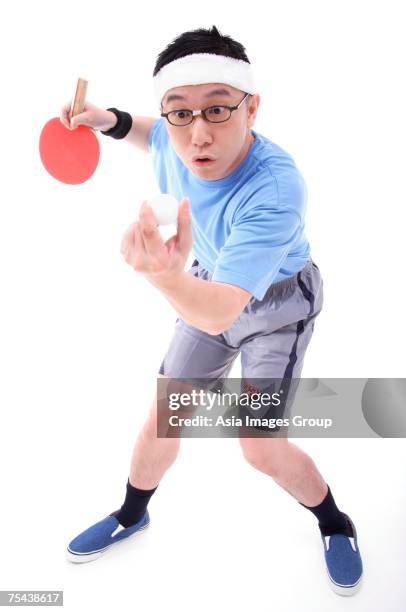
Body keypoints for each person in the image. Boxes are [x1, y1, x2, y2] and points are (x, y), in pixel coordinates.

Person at [61, 26, 363, 596]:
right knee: (163, 416)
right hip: (206, 284)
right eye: (180, 112)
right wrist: (108, 121)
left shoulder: (275, 188)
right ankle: (132, 514)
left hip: (276, 305)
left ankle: (335, 523)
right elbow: (152, 134)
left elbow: (222, 313)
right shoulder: (176, 141)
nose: (198, 135)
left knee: (260, 448)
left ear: (253, 108)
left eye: (218, 110)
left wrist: (164, 277)